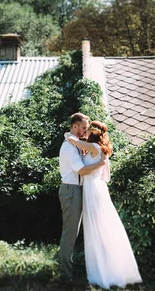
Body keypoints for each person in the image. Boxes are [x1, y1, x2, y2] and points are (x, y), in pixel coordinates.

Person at [65, 120, 142, 289]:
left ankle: (104, 271)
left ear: (92, 132)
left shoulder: (93, 147)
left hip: (92, 189)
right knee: (98, 227)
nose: (85, 132)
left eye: (87, 130)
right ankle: (106, 267)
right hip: (93, 187)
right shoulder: (95, 148)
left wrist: (71, 135)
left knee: (97, 227)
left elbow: (72, 141)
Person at [58, 113, 106, 282]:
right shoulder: (69, 147)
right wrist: (100, 164)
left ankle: (74, 268)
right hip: (70, 190)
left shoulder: (76, 143)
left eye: (87, 129)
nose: (86, 131)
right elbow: (81, 170)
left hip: (79, 189)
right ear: (75, 126)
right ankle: (66, 275)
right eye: (84, 128)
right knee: (70, 232)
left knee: (77, 231)